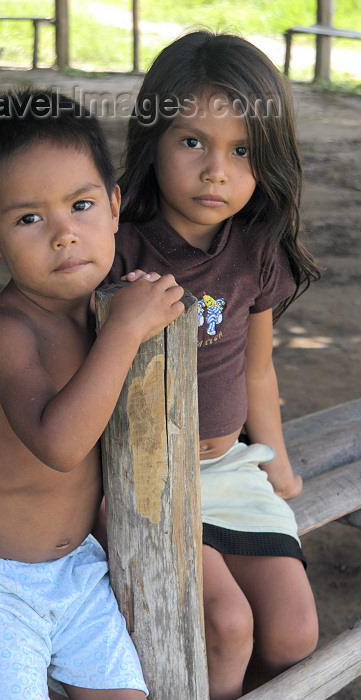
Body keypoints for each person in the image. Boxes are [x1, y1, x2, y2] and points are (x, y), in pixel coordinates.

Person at [0, 88, 185, 700]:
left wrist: (127, 321)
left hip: (75, 573)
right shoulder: (3, 332)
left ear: (115, 206)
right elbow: (60, 443)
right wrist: (125, 330)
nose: (65, 234)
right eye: (30, 218)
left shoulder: (104, 309)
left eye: (82, 205)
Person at [103, 32, 321, 700]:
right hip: (142, 478)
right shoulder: (113, 246)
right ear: (153, 139)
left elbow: (257, 371)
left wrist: (276, 458)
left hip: (228, 469)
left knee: (291, 635)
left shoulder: (255, 247)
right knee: (225, 624)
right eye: (192, 141)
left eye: (241, 150)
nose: (214, 171)